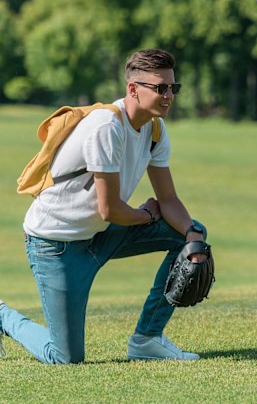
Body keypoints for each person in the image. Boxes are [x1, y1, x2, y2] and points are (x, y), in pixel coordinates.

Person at [0, 48, 208, 364]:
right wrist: (146, 214)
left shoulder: (154, 129)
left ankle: (146, 340)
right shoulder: (106, 127)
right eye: (160, 88)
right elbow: (110, 209)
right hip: (56, 246)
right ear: (133, 89)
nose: (168, 96)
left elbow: (168, 200)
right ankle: (3, 316)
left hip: (101, 233)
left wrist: (193, 238)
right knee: (64, 358)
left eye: (173, 88)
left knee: (190, 234)